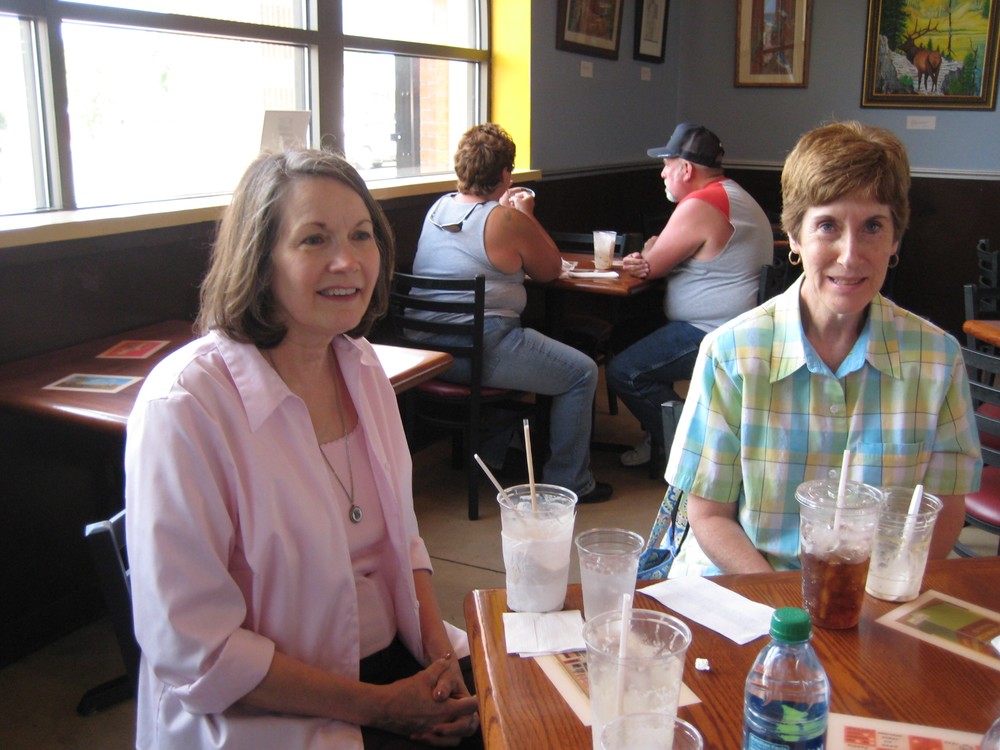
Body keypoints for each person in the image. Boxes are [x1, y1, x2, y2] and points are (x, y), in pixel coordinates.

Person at [125, 149, 482, 749]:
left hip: (392, 659)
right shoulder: (185, 405)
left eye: (361, 235)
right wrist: (382, 708)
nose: (348, 261)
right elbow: (195, 649)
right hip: (268, 706)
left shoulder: (363, 365)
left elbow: (404, 540)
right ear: (260, 259)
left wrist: (440, 661)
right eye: (314, 239)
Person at [664, 121, 982, 577]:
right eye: (828, 226)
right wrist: (783, 604)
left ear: (895, 239)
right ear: (794, 236)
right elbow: (710, 515)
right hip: (749, 582)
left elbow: (944, 511)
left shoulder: (938, 360)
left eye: (873, 226)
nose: (850, 255)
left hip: (876, 589)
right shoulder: (730, 353)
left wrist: (877, 596)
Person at [411, 122, 613, 505]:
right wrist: (526, 214)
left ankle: (493, 455)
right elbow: (550, 270)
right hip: (480, 350)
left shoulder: (438, 208)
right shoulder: (506, 219)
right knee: (582, 372)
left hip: (428, 350)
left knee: (529, 359)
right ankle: (571, 482)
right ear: (506, 174)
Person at [607, 122, 773, 467]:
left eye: (666, 165)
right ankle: (667, 435)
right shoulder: (730, 194)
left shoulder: (702, 203)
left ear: (686, 168)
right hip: (739, 329)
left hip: (713, 333)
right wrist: (654, 252)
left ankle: (696, 450)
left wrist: (650, 249)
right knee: (628, 338)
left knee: (626, 371)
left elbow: (651, 266)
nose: (662, 174)